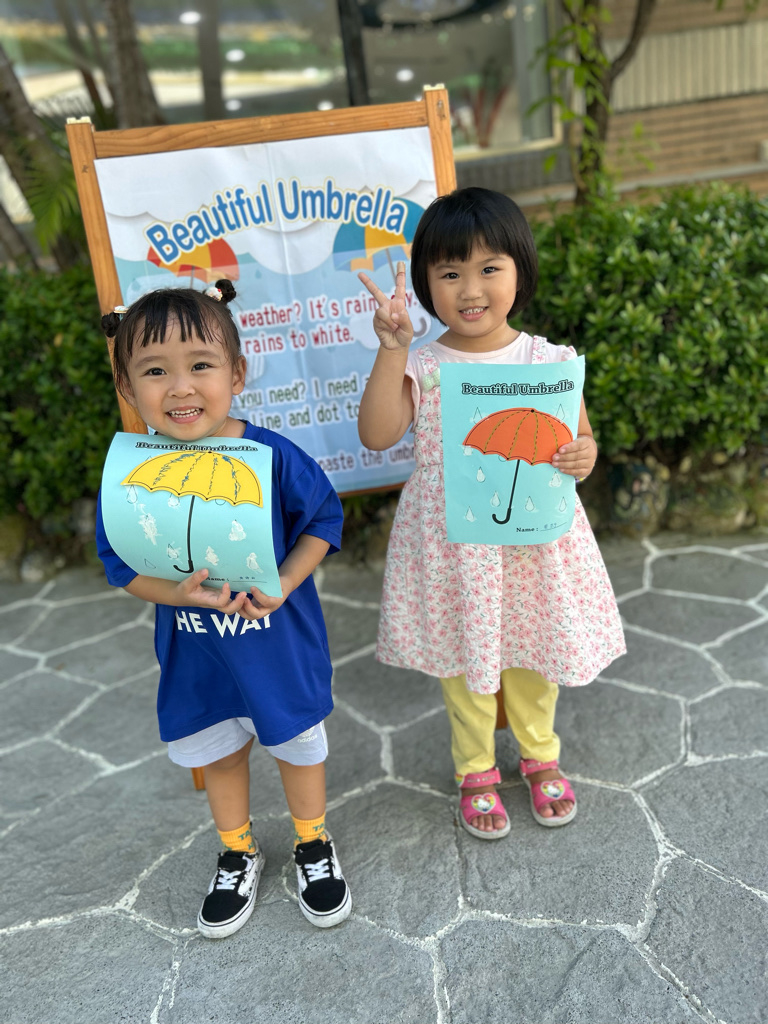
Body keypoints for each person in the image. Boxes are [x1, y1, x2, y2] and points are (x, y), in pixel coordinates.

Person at [357, 187, 625, 840]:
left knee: (534, 656)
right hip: (456, 548)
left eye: (488, 268)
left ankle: (540, 756)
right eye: (450, 273)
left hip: (535, 546)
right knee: (464, 663)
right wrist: (392, 349)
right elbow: (377, 434)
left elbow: (581, 441)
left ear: (519, 270)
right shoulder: (424, 364)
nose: (470, 289)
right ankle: (475, 768)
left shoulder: (550, 362)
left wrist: (584, 455)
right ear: (426, 282)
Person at [96, 281, 351, 936]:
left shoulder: (271, 456)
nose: (180, 388)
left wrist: (287, 581)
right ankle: (238, 851)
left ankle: (313, 841)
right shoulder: (132, 475)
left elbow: (324, 519)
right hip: (198, 655)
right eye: (155, 371)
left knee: (297, 747)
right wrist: (173, 592)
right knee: (220, 753)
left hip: (277, 649)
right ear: (127, 386)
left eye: (200, 365)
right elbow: (121, 564)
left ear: (236, 373)